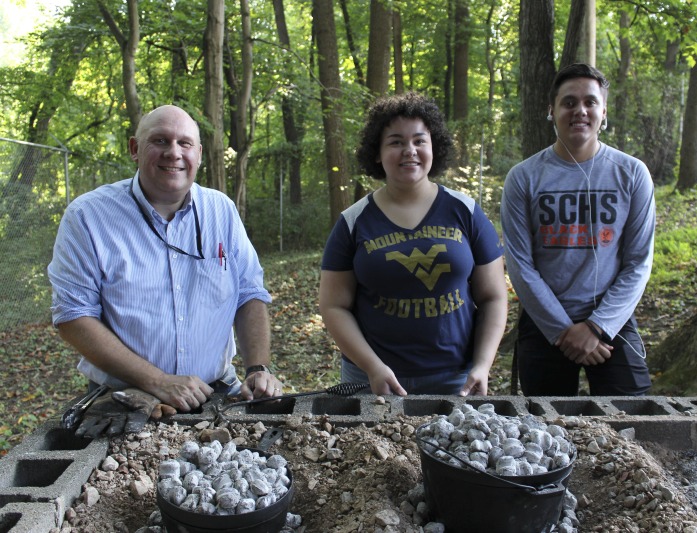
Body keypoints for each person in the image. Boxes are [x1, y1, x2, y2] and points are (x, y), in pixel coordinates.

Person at [48, 104, 282, 417]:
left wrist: (258, 368)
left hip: (216, 393)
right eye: (160, 141)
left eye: (184, 143)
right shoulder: (88, 218)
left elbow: (249, 294)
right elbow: (73, 316)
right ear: (135, 148)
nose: (173, 152)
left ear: (198, 154)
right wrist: (157, 381)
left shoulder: (221, 211)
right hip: (124, 402)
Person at [319, 92, 507, 396]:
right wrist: (373, 367)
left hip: (456, 379)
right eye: (395, 142)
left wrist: (483, 365)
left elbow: (494, 298)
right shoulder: (353, 222)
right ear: (377, 153)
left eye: (420, 141)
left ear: (434, 147)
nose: (410, 151)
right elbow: (333, 305)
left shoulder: (466, 212)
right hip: (372, 380)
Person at [500, 63, 655, 396]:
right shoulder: (523, 178)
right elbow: (519, 265)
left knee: (634, 422)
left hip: (611, 320)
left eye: (590, 102)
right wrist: (562, 331)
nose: (580, 111)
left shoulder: (632, 174)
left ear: (603, 111)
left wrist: (597, 328)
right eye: (569, 102)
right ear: (552, 110)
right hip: (544, 323)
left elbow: (638, 262)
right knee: (544, 432)